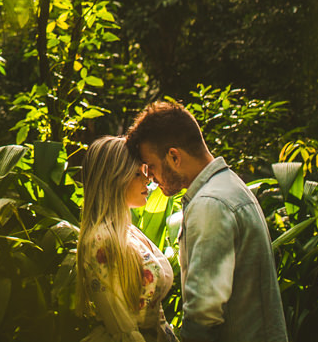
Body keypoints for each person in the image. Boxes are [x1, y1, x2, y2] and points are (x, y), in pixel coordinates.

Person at [126, 101, 288, 342]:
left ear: (174, 157)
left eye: (152, 167)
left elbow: (203, 314)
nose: (151, 179)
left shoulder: (210, 204)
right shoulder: (231, 186)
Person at [77, 136, 178, 342]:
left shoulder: (128, 232)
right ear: (114, 178)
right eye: (136, 173)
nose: (147, 180)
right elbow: (122, 326)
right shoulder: (100, 240)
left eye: (145, 172)